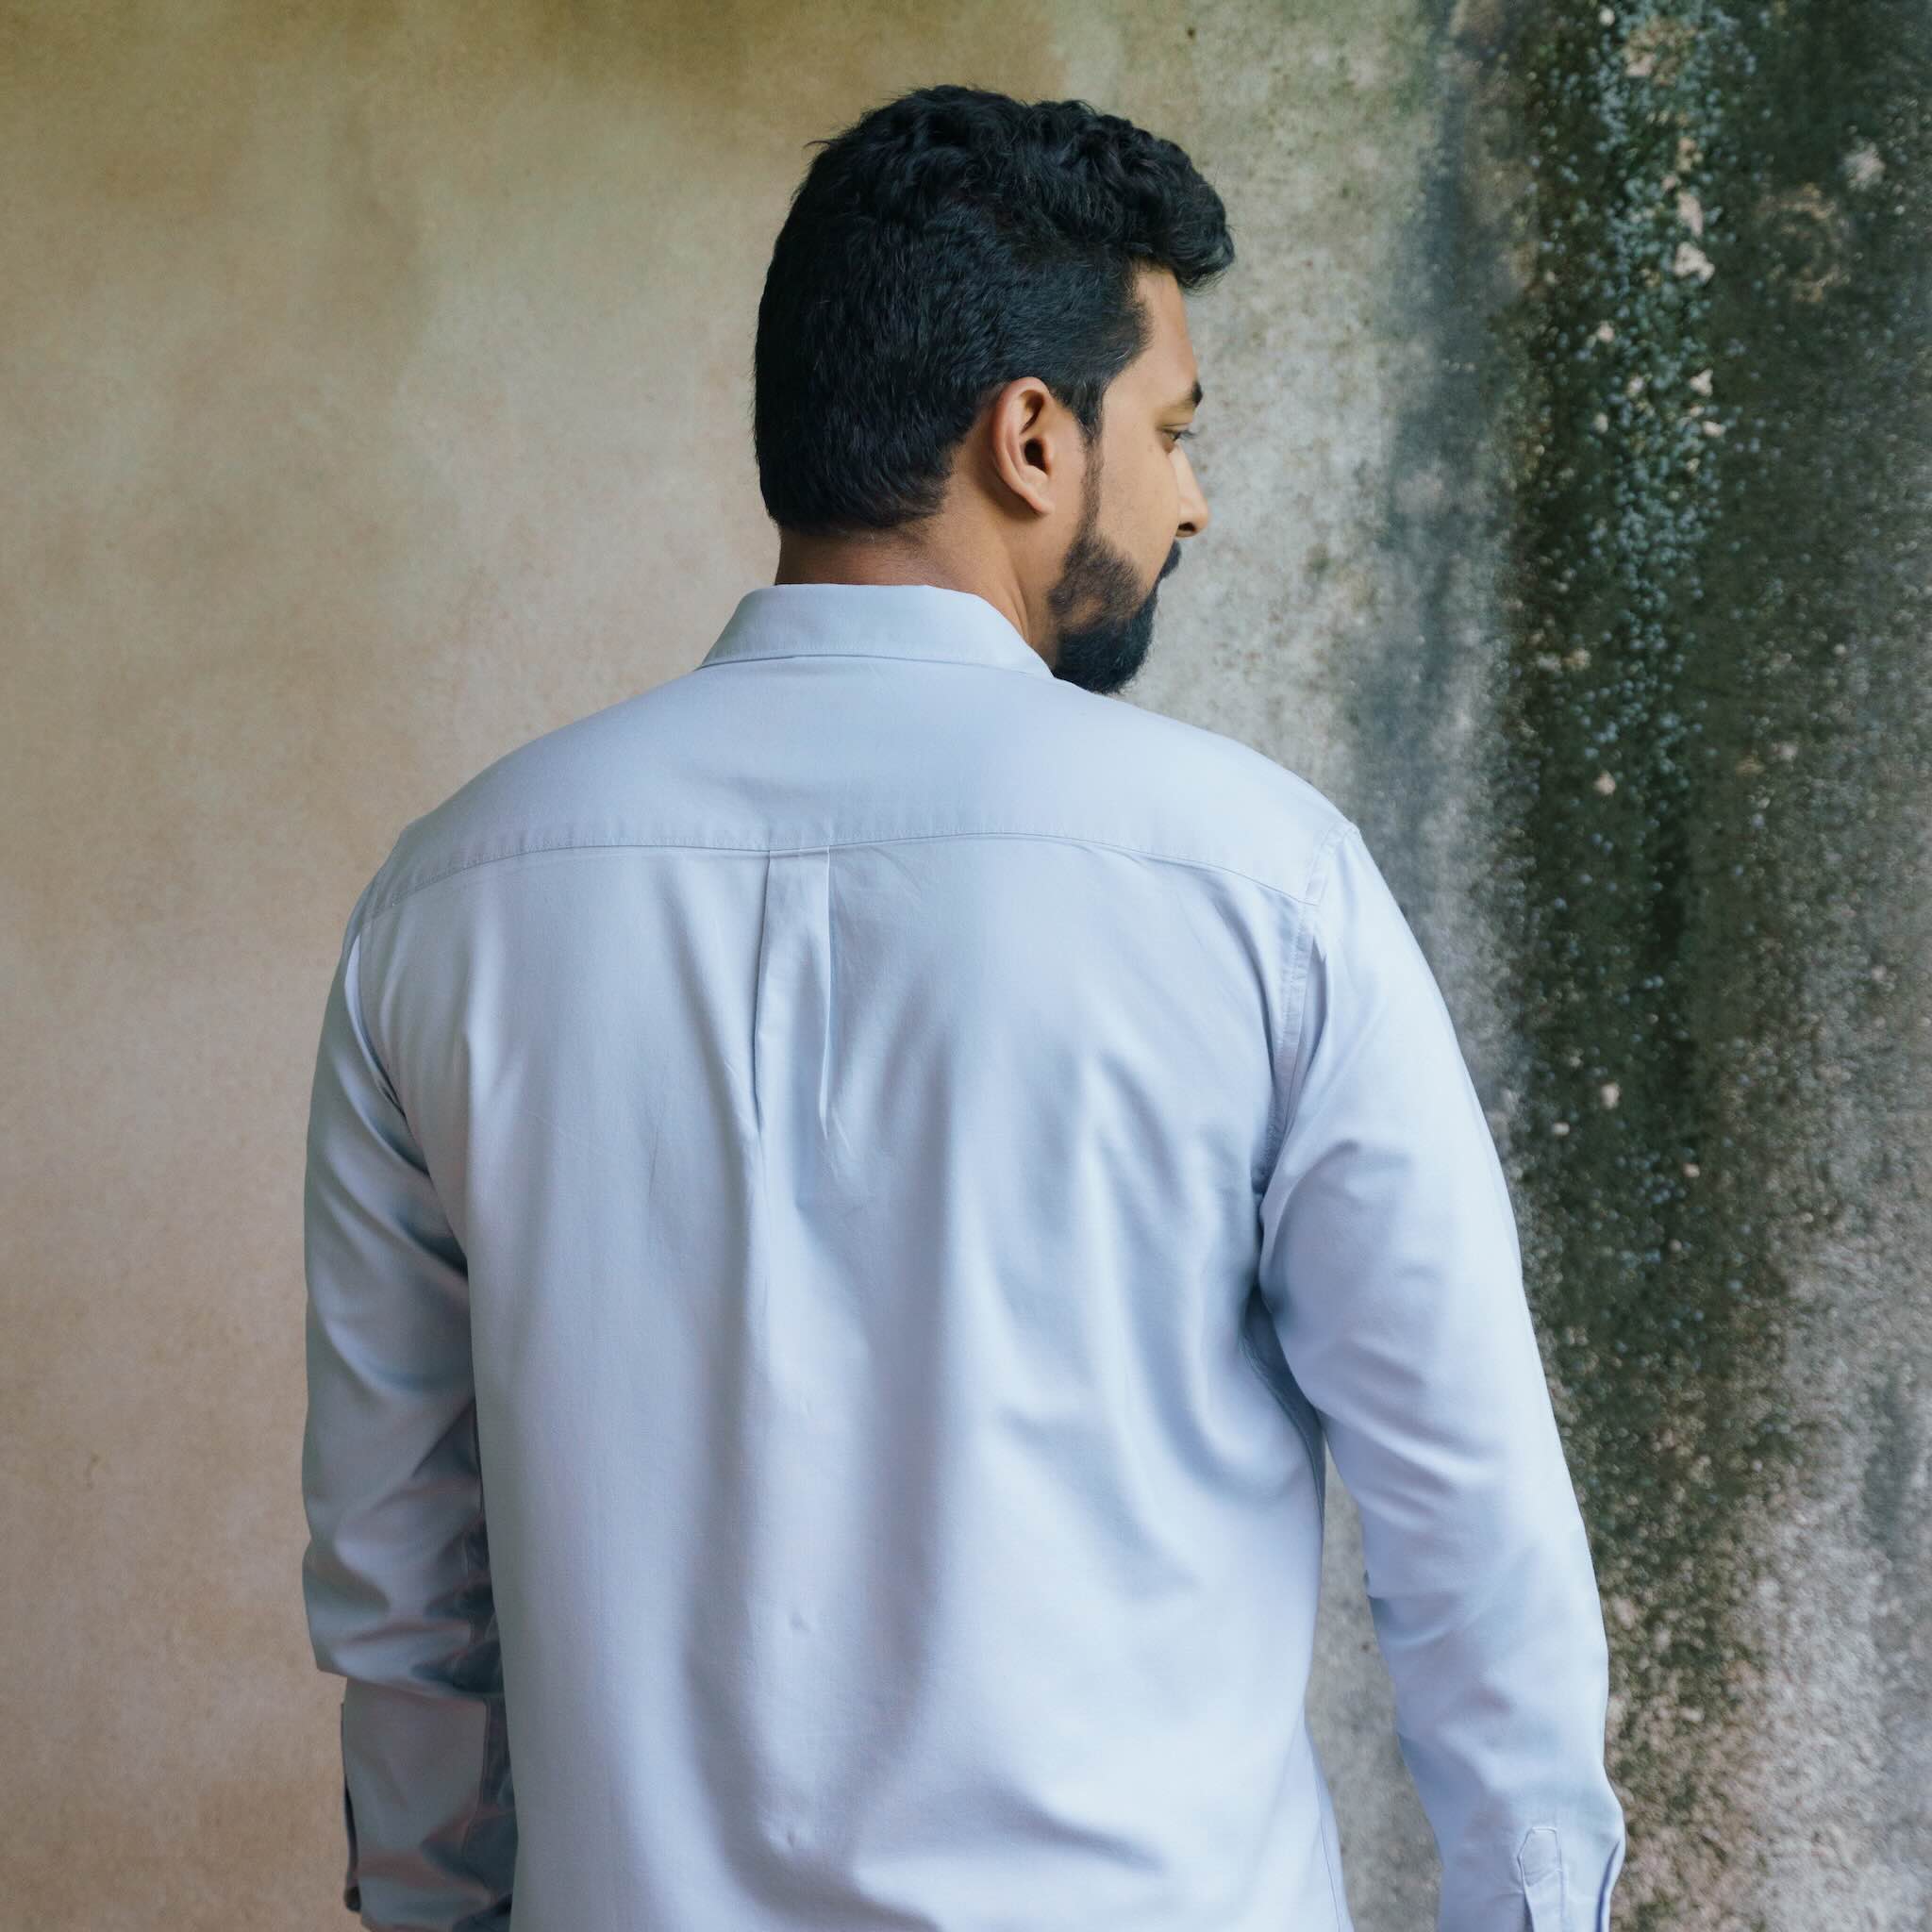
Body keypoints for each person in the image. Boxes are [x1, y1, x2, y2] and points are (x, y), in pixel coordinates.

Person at [301, 82, 1626, 1932]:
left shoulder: (446, 905)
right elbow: (1464, 1518)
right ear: (1028, 437)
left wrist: (441, 1910)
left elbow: (402, 1573)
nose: (1190, 495)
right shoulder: (1258, 885)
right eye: (1166, 427)